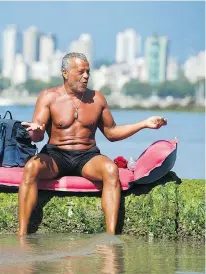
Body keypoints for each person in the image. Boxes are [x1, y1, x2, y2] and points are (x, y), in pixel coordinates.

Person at [18, 52, 167, 236]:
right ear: (65, 73)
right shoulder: (49, 97)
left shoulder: (97, 98)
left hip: (87, 156)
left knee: (111, 170)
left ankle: (111, 236)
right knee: (31, 167)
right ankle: (22, 235)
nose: (86, 76)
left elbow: (111, 133)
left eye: (88, 71)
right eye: (81, 72)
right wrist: (36, 130)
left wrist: (144, 124)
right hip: (55, 155)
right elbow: (37, 136)